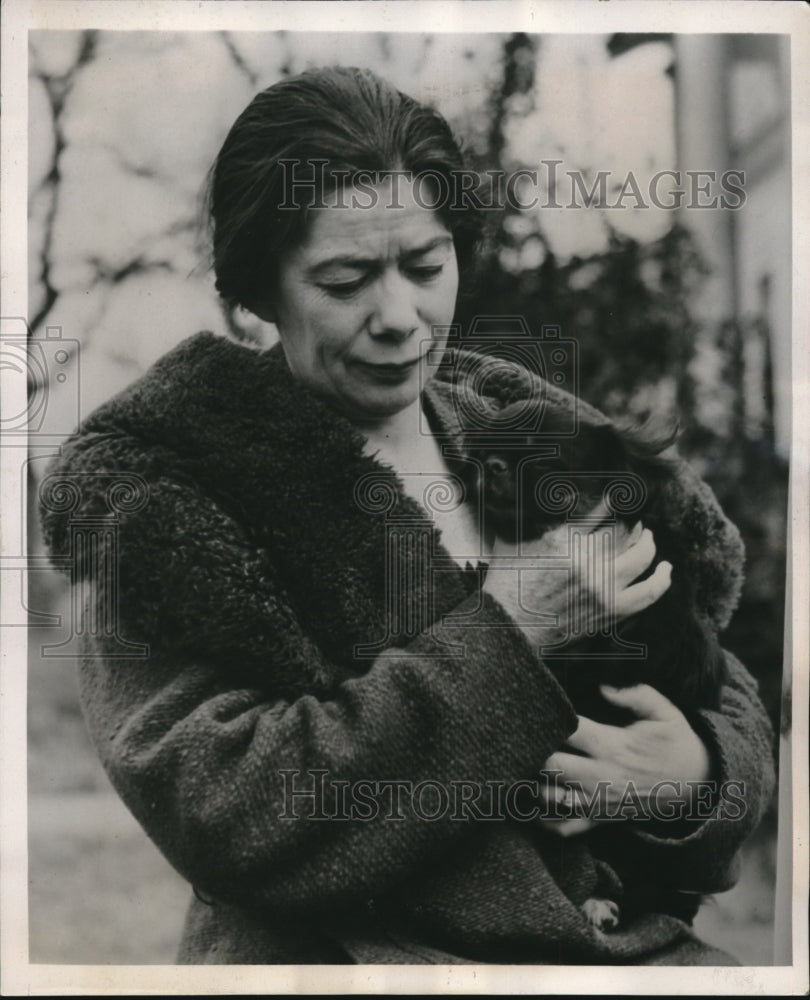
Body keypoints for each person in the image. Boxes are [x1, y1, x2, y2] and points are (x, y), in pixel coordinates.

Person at [40, 66, 774, 965]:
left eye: (425, 266)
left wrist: (692, 776)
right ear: (256, 293)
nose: (401, 317)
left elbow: (713, 665)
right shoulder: (165, 495)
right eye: (347, 279)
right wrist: (511, 633)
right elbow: (225, 807)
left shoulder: (523, 435)